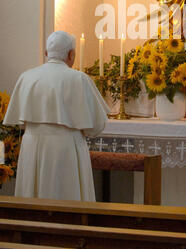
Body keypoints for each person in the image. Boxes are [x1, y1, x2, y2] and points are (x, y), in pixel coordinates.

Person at [3, 30, 110, 202]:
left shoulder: (26, 77)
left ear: (46, 53)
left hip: (32, 145)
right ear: (71, 54)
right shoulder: (78, 79)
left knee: (33, 199)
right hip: (66, 147)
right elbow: (96, 126)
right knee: (66, 200)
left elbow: (19, 122)